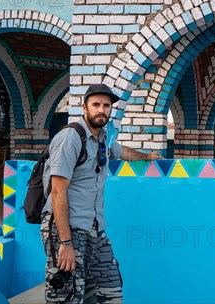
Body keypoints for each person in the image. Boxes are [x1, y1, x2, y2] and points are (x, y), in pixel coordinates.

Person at [40, 83, 162, 303]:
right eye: (96, 104)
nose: (101, 109)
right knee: (66, 295)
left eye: (106, 105)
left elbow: (122, 151)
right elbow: (58, 192)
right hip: (67, 230)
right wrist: (66, 244)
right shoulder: (71, 138)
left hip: (94, 228)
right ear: (84, 107)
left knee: (109, 291)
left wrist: (146, 156)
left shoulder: (103, 138)